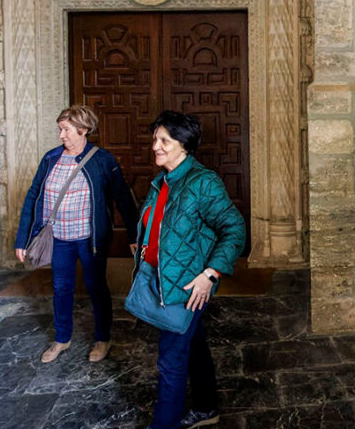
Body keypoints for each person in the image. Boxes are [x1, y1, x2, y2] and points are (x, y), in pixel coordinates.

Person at [136, 110, 245, 429]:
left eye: (164, 141)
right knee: (193, 346)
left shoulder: (202, 182)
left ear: (183, 145)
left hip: (185, 287)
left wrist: (210, 274)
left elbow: (234, 229)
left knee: (171, 362)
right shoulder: (164, 180)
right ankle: (207, 408)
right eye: (155, 139)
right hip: (163, 279)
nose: (155, 146)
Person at [15, 105, 138, 363]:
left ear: (83, 130)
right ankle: (62, 338)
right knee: (61, 287)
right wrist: (22, 238)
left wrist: (135, 236)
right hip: (58, 238)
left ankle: (103, 338)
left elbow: (123, 199)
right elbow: (33, 197)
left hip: (89, 238)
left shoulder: (102, 160)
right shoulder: (51, 158)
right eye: (59, 129)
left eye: (66, 130)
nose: (61, 135)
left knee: (96, 287)